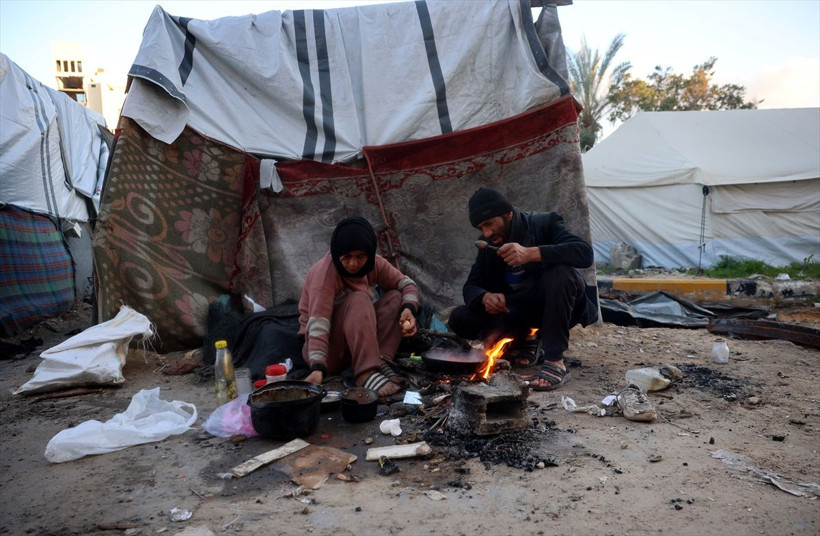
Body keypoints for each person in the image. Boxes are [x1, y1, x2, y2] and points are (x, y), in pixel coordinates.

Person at [448, 187, 598, 391]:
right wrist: (484, 297)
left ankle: (554, 360)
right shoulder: (487, 246)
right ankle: (526, 340)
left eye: (490, 224)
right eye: (481, 228)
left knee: (561, 273)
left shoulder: (544, 224)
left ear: (508, 214)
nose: (487, 233)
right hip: (517, 312)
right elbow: (471, 286)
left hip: (556, 306)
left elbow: (584, 254)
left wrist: (533, 253)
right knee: (460, 317)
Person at [298, 216, 419, 397]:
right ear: (338, 253)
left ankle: (380, 360)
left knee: (395, 298)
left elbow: (406, 284)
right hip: (330, 351)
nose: (353, 264)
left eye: (360, 257)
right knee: (359, 300)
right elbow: (318, 323)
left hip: (360, 343)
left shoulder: (374, 263)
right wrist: (317, 368)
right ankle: (365, 373)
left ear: (368, 253)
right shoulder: (324, 276)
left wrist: (408, 309)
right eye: (346, 257)